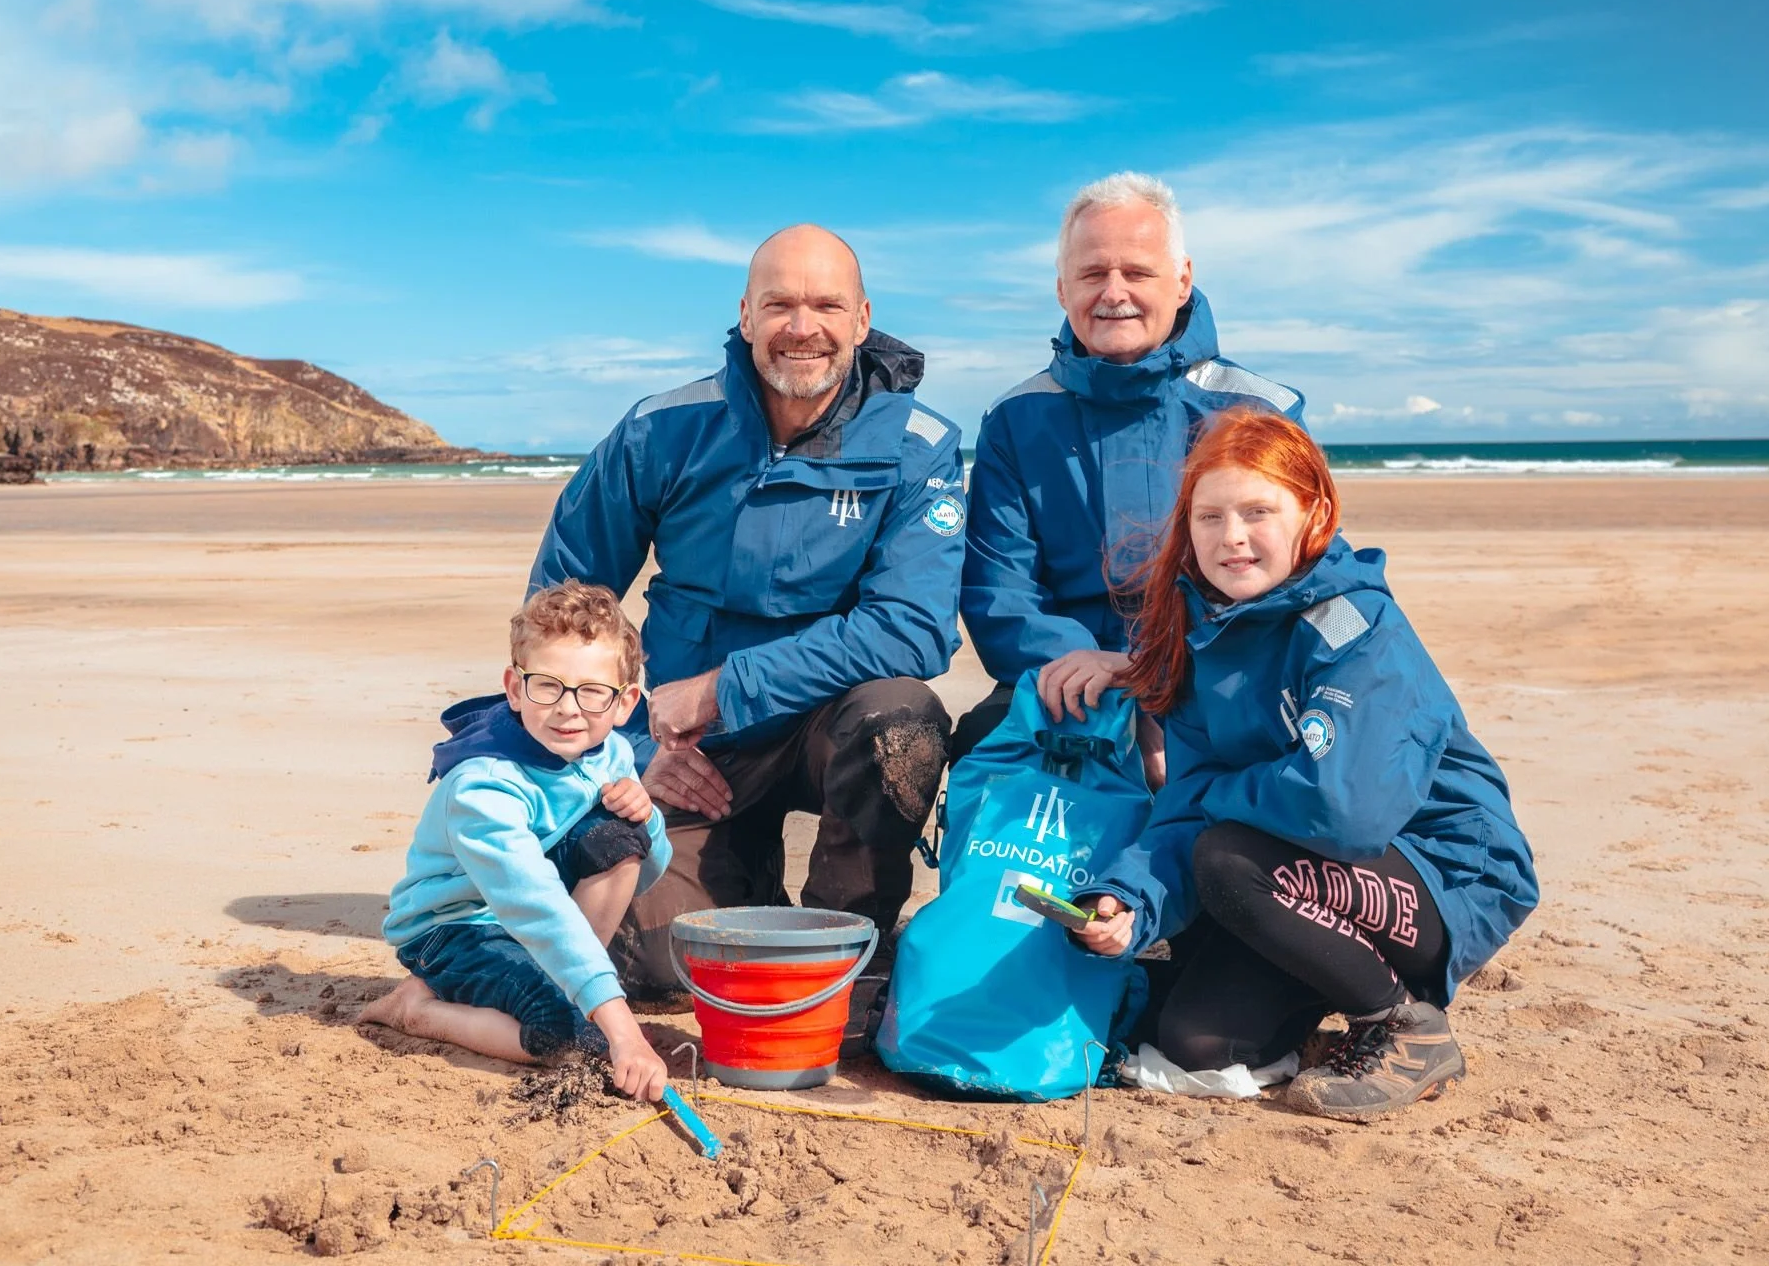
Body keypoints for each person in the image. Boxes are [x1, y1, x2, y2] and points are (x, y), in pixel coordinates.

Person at [528, 224, 965, 997]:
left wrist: (726, 687)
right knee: (657, 958)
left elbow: (915, 628)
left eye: (826, 305)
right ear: (745, 314)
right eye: (780, 304)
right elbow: (557, 618)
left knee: (904, 719)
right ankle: (745, 876)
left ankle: (844, 949)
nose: (803, 326)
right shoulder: (660, 429)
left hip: (828, 729)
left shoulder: (916, 444)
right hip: (690, 750)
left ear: (863, 319)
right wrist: (630, 744)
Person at [1071, 411, 1537, 1121]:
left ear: (1314, 513)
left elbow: (1345, 811)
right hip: (1299, 869)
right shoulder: (1198, 634)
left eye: (1258, 512)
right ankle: (1322, 980)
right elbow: (1187, 806)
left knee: (1225, 858)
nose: (1231, 536)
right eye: (1210, 516)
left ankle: (1402, 1026)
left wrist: (1218, 796)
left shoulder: (1357, 628)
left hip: (1446, 875)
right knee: (1197, 1041)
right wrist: (1128, 902)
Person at [956, 172, 1307, 783]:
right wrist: (1111, 684)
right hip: (1065, 678)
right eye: (1093, 273)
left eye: (1137, 272)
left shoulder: (1258, 413)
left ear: (1182, 279)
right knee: (978, 749)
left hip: (1220, 676)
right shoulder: (1015, 419)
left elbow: (1294, 584)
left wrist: (1163, 681)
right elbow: (999, 593)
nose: (1113, 292)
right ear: (1063, 288)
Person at [359, 581, 672, 1101]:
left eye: (593, 691)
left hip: (527, 923)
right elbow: (535, 903)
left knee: (620, 834)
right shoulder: (483, 785)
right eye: (547, 685)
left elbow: (648, 867)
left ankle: (568, 986)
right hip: (456, 927)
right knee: (572, 1037)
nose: (568, 709)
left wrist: (648, 817)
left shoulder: (612, 752)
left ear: (624, 703)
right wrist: (623, 1031)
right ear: (514, 688)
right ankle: (417, 1009)